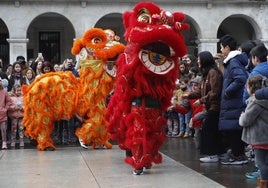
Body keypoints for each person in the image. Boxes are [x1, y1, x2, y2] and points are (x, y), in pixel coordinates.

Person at [188, 51, 225, 162]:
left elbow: (215, 91)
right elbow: (200, 91)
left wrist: (201, 100)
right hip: (210, 106)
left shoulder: (213, 73)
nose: (198, 61)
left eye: (199, 59)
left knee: (208, 129)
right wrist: (187, 96)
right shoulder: (206, 74)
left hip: (215, 106)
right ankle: (219, 152)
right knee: (213, 130)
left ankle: (212, 154)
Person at [218, 34, 249, 165]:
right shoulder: (233, 61)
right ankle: (237, 154)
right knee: (233, 129)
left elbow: (240, 79)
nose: (221, 51)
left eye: (221, 48)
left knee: (234, 130)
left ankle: (238, 156)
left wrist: (227, 92)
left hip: (233, 102)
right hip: (233, 103)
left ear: (227, 47)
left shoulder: (233, 61)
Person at [239, 75, 268, 187]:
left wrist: (242, 116)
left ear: (250, 87)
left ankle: (263, 184)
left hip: (259, 138)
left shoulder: (255, 102)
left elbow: (245, 121)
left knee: (261, 163)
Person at [8, 84, 24, 149]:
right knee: (13, 130)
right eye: (17, 90)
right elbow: (8, 106)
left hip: (21, 116)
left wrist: (22, 108)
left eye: (20, 90)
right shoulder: (11, 98)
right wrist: (14, 107)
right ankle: (13, 141)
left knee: (21, 129)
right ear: (14, 91)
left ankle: (21, 141)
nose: (19, 92)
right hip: (14, 117)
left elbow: (26, 105)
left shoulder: (23, 97)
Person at [0, 77, 12, 149]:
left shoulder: (4, 92)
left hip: (2, 113)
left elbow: (9, 101)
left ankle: (4, 142)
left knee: (3, 129)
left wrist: (5, 109)